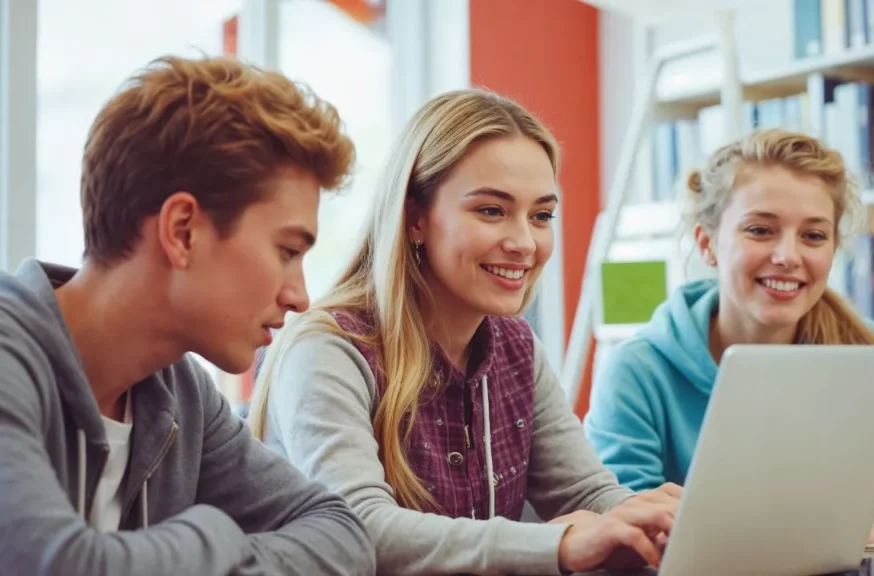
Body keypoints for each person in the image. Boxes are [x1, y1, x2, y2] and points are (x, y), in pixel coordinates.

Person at [248, 88, 682, 575]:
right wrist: (557, 544)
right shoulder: (328, 348)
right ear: (415, 218)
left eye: (541, 216)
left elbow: (584, 492)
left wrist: (657, 523)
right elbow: (360, 528)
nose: (524, 242)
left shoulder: (515, 347)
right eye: (491, 211)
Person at [0, 55, 376, 575]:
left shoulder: (181, 395)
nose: (299, 297)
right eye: (287, 250)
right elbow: (60, 565)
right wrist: (214, 532)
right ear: (182, 231)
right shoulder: (8, 358)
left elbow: (341, 533)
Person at [584, 128, 874, 542]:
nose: (788, 256)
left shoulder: (867, 355)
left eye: (813, 235)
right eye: (760, 229)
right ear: (708, 243)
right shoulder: (637, 372)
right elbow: (623, 523)